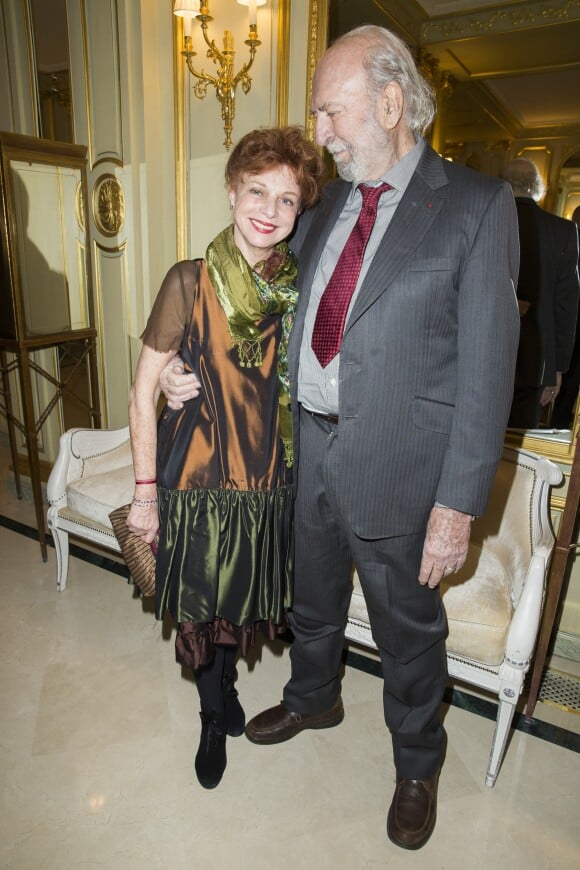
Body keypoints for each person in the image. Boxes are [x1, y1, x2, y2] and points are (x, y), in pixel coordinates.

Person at [160, 25, 520, 850]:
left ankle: (417, 763)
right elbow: (252, 299)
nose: (317, 130)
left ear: (389, 103)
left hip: (402, 465)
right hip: (306, 449)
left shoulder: (475, 206)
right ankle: (315, 693)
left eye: (330, 110)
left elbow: (488, 374)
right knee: (310, 600)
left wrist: (457, 507)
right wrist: (187, 369)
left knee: (407, 630)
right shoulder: (321, 209)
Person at [126, 126, 324, 790]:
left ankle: (228, 688)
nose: (269, 210)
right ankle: (214, 714)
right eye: (257, 191)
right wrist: (147, 494)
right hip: (203, 475)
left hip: (270, 479)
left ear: (302, 211)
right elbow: (141, 390)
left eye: (287, 199)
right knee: (205, 609)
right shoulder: (190, 280)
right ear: (233, 191)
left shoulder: (301, 290)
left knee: (241, 605)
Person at [501, 158, 579, 429]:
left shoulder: (484, 221)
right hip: (537, 361)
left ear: (503, 183)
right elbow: (566, 308)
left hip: (483, 356)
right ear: (540, 188)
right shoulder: (563, 231)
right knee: (521, 449)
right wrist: (556, 369)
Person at [552, 204, 580, 429]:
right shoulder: (567, 244)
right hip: (570, 326)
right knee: (569, 385)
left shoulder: (565, 242)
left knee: (569, 385)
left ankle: (559, 425)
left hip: (570, 326)